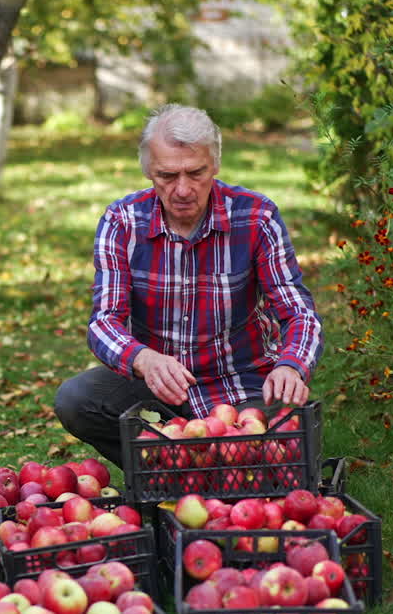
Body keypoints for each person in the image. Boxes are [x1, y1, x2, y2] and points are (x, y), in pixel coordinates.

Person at [54, 104, 323, 467]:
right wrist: (143, 360)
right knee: (75, 400)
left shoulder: (257, 216)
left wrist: (291, 366)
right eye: (167, 175)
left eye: (196, 173)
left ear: (215, 165)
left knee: (277, 447)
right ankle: (167, 472)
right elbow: (103, 322)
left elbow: (299, 313)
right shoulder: (121, 222)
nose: (182, 189)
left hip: (243, 382)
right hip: (157, 386)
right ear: (149, 170)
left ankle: (184, 469)